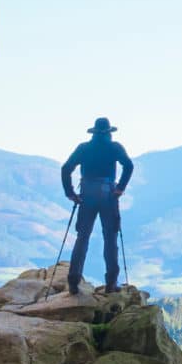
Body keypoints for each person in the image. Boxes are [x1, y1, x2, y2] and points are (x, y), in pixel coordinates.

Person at [60, 116, 135, 294]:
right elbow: (129, 166)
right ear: (109, 132)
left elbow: (66, 169)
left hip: (87, 193)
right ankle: (111, 283)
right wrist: (120, 188)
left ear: (93, 132)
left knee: (82, 237)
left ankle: (73, 282)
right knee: (110, 238)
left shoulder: (84, 148)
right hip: (108, 194)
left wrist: (70, 193)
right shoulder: (114, 147)